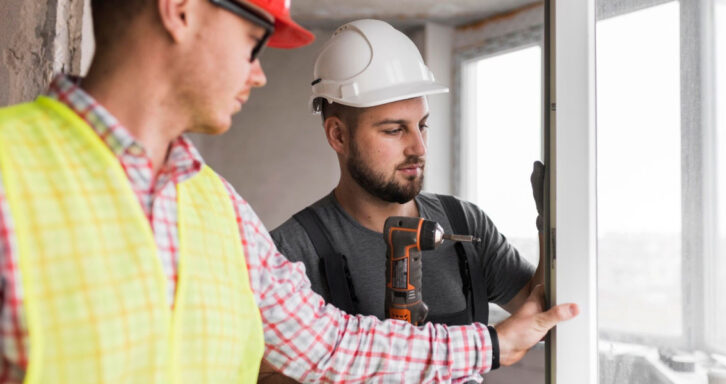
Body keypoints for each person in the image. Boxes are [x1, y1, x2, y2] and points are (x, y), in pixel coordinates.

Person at [0, 2, 577, 383]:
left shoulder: (219, 211)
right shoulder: (12, 175)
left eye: (419, 125)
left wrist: (494, 345)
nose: (259, 73)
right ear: (178, 10)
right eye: (254, 41)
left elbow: (329, 345)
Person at [271, 14, 544, 353]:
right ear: (338, 135)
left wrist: (553, 227)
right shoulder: (290, 253)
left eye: (422, 125)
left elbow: (542, 315)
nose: (419, 148)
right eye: (394, 130)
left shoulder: (464, 224)